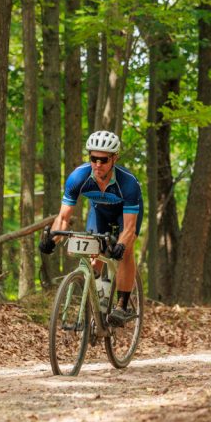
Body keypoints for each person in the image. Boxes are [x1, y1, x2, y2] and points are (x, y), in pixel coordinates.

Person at [39, 130, 143, 326]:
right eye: (93, 158)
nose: (97, 164)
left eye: (103, 160)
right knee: (94, 258)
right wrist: (52, 239)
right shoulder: (78, 177)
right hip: (100, 213)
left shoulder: (128, 183)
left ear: (114, 158)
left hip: (124, 216)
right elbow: (63, 217)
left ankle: (122, 305)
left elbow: (128, 228)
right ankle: (99, 305)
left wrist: (120, 244)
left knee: (126, 250)